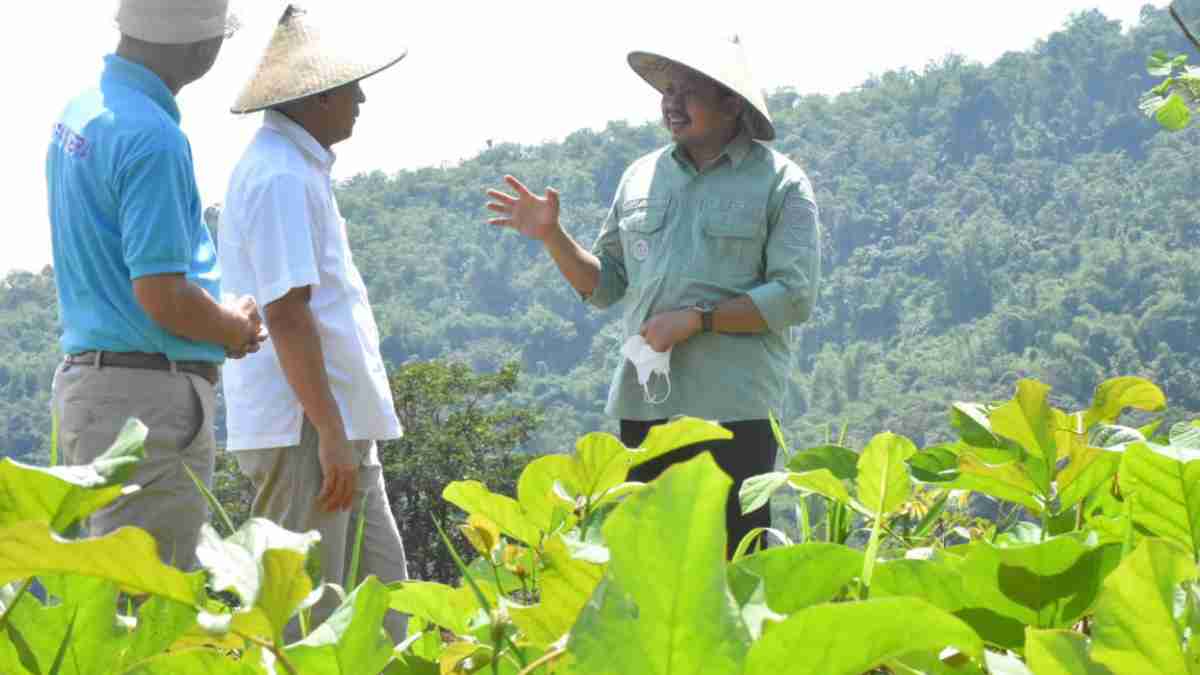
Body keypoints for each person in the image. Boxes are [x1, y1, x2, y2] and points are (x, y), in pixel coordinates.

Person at [486, 38, 822, 557]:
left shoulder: (780, 182)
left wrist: (697, 321)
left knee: (733, 559)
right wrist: (553, 236)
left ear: (733, 103)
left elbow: (793, 297)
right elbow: (606, 285)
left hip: (732, 410)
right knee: (649, 561)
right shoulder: (640, 176)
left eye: (690, 90)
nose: (672, 102)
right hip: (646, 405)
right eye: (668, 89)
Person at [46, 0, 266, 571]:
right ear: (201, 46)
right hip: (145, 400)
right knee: (149, 608)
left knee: (97, 604)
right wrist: (232, 327)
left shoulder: (84, 110)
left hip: (90, 387)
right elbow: (162, 295)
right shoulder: (154, 137)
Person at [217, 4, 409, 639]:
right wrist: (327, 430)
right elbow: (287, 313)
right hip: (306, 426)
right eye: (349, 86)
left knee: (387, 604)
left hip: (333, 422)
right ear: (316, 96)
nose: (361, 98)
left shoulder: (297, 170)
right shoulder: (279, 177)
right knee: (311, 616)